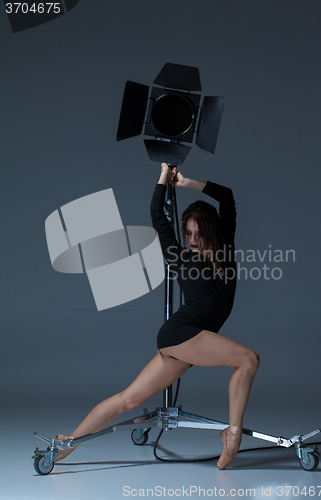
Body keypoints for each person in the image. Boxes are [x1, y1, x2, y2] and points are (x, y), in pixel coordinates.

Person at [54, 163, 259, 470]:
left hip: (188, 342)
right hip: (182, 333)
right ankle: (234, 436)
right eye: (187, 232)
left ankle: (67, 444)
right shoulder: (179, 257)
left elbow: (226, 198)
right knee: (248, 359)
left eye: (198, 233)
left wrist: (186, 181)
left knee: (129, 399)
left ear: (211, 232)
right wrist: (163, 176)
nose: (192, 239)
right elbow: (156, 215)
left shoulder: (224, 249)